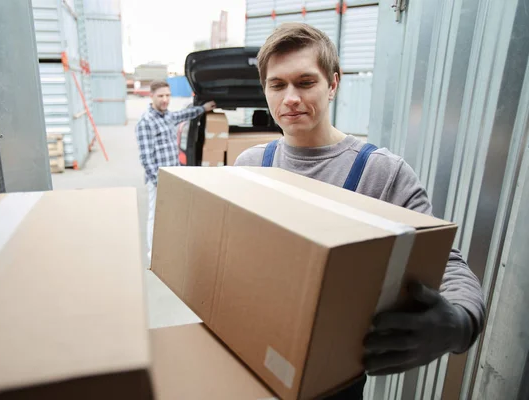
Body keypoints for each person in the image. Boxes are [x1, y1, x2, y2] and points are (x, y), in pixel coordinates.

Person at [234, 23, 486, 399]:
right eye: (277, 85)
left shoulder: (382, 173)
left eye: (305, 83)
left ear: (333, 84)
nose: (290, 98)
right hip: (252, 357)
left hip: (335, 378)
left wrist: (461, 322)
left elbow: (447, 264)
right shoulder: (250, 166)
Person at [135, 80, 216, 262]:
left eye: (167, 96)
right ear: (152, 96)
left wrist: (203, 108)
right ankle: (152, 253)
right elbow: (146, 159)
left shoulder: (167, 116)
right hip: (159, 179)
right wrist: (159, 182)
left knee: (173, 213)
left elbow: (184, 114)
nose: (165, 100)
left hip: (173, 175)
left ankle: (170, 245)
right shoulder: (146, 122)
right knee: (155, 215)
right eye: (161, 96)